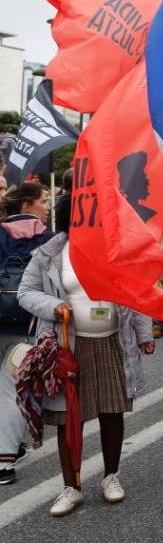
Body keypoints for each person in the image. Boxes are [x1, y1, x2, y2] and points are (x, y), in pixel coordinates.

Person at [18, 231, 155, 516]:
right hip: (67, 343)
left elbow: (135, 288)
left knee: (112, 410)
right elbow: (26, 292)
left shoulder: (117, 247)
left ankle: (111, 476)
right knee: (67, 418)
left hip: (111, 340)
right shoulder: (49, 253)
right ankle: (72, 487)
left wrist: (144, 332)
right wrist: (54, 306)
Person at [0, 182, 54, 486]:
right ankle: (4, 462)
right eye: (43, 201)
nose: (47, 207)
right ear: (26, 206)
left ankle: (13, 448)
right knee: (11, 389)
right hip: (26, 326)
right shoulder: (48, 241)